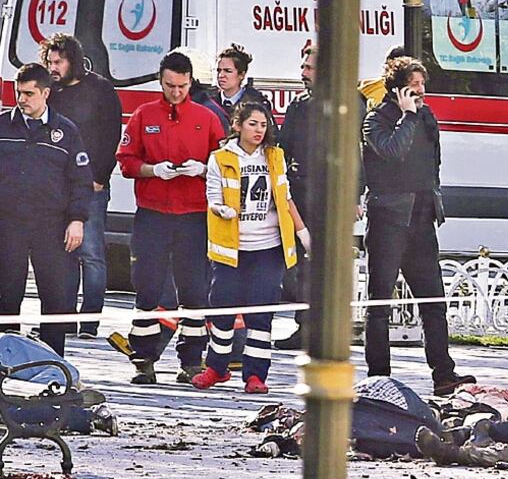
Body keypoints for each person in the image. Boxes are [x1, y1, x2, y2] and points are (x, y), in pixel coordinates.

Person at [362, 56, 474, 396]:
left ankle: (444, 373)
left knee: (433, 301)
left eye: (423, 86)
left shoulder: (426, 117)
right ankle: (379, 377)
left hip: (422, 218)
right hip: (388, 218)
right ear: (398, 89)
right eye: (414, 87)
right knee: (380, 302)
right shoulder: (375, 121)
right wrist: (407, 116)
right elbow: (393, 151)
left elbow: (432, 161)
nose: (421, 93)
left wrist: (432, 199)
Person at [116, 51, 226, 385]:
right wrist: (154, 170)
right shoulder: (143, 114)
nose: (175, 92)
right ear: (160, 82)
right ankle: (144, 359)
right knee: (147, 286)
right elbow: (126, 161)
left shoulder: (206, 117)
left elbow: (224, 163)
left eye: (181, 85)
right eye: (169, 85)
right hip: (153, 213)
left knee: (193, 288)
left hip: (193, 215)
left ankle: (191, 360)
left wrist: (204, 169)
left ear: (190, 82)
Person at [192, 102, 310, 393]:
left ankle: (256, 376)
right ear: (237, 125)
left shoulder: (275, 156)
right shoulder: (220, 158)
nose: (259, 130)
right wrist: (221, 210)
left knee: (261, 312)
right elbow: (212, 197)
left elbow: (285, 199)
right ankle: (216, 368)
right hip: (231, 248)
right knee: (222, 309)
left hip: (268, 247)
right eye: (253, 124)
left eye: (263, 124)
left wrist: (304, 234)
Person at [0, 64, 92, 355]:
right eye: (19, 93)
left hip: (51, 225)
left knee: (55, 297)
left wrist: (77, 220)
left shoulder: (65, 131)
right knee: (5, 296)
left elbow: (81, 181)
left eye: (29, 93)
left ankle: (54, 363)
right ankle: (5, 361)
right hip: (8, 224)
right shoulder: (3, 126)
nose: (22, 99)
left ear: (45, 93)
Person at [41, 33, 122, 339]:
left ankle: (89, 321)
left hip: (92, 185)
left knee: (91, 254)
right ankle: (62, 319)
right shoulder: (54, 93)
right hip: (57, 188)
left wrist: (101, 177)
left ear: (72, 60)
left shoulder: (100, 89)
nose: (53, 67)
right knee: (63, 254)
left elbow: (111, 135)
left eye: (58, 62)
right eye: (50, 62)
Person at [273, 47, 316, 350]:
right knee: (299, 263)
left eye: (310, 68)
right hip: (301, 190)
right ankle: (304, 327)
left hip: (331, 194)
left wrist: (354, 193)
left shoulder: (350, 103)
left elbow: (357, 151)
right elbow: (283, 148)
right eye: (303, 67)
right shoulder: (299, 105)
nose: (303, 74)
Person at [211, 43, 273, 121]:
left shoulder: (258, 103)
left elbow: (271, 132)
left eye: (228, 71)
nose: (221, 75)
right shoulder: (208, 101)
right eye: (219, 71)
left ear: (242, 75)